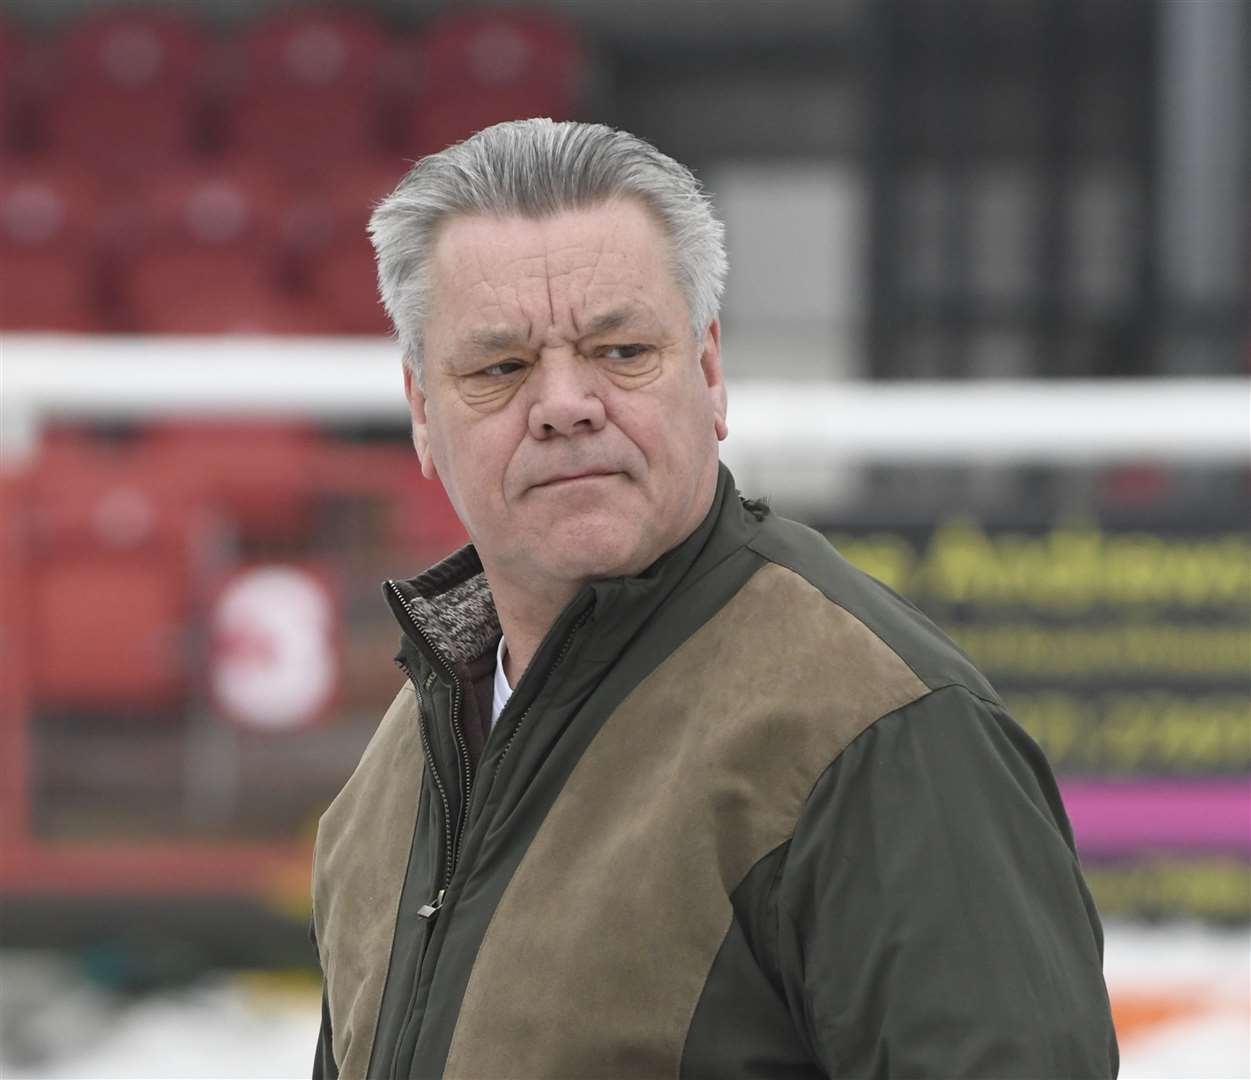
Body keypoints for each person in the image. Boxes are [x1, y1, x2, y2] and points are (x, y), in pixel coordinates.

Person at [310, 118, 1118, 1080]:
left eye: (619, 350)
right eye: (500, 367)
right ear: (421, 414)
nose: (565, 402)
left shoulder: (882, 733)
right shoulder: (400, 766)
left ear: (708, 371)